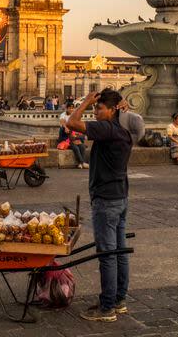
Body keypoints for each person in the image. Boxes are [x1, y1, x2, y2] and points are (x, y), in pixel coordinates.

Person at [66, 89, 132, 323]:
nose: (95, 111)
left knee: (107, 254)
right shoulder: (124, 131)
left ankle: (106, 308)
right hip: (120, 196)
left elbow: (72, 122)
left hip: (106, 199)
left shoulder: (107, 129)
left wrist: (85, 101)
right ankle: (119, 300)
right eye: (95, 107)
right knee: (119, 251)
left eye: (99, 108)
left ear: (112, 110)